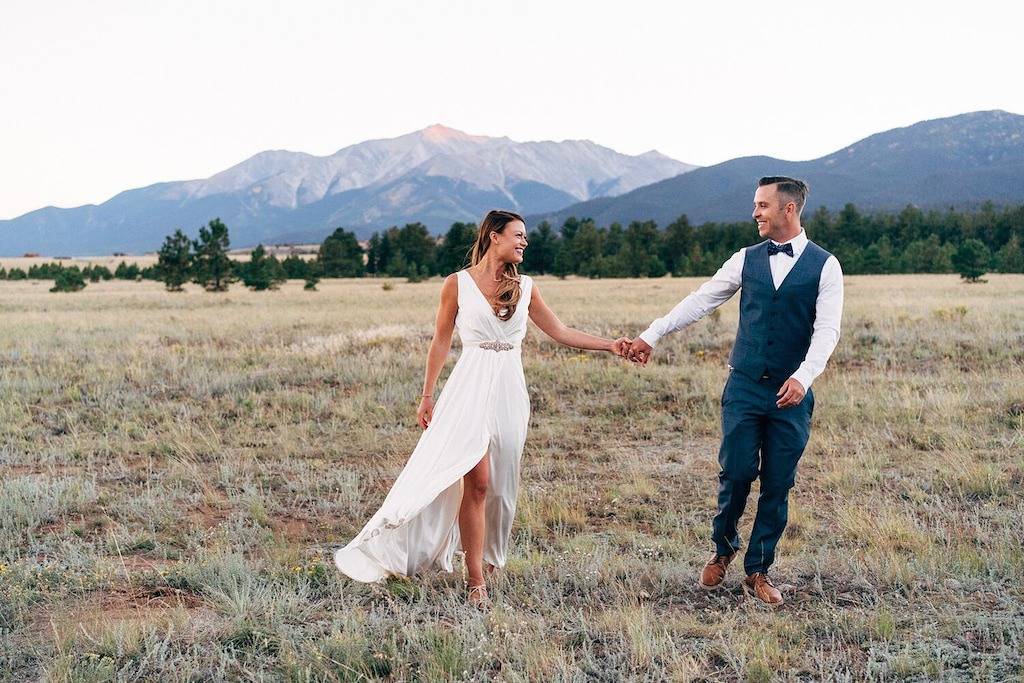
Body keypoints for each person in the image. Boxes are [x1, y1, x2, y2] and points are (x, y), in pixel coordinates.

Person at [334, 209, 631, 606]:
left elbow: (560, 331)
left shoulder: (526, 287)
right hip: (468, 388)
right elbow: (440, 341)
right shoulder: (456, 284)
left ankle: (490, 559)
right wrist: (426, 395)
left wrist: (610, 344)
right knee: (477, 482)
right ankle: (476, 580)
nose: (524, 242)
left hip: (509, 390)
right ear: (494, 236)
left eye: (525, 237)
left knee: (503, 486)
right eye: (518, 235)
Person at [627, 177, 843, 607]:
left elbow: (827, 330)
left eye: (763, 205)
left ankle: (758, 570)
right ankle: (722, 548)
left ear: (789, 209)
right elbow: (701, 300)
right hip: (744, 387)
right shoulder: (744, 259)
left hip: (792, 394)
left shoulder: (826, 265)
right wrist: (652, 334)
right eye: (755, 205)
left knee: (778, 483)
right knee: (737, 471)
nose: (755, 212)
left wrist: (803, 377)